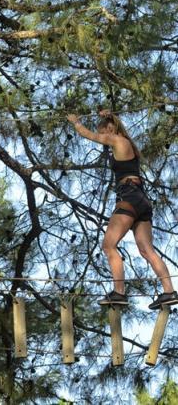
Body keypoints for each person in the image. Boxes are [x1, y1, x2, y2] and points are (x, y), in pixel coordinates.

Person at [67, 110, 178, 309]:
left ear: (110, 129)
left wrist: (76, 123)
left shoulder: (117, 140)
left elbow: (89, 135)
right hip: (141, 200)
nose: (103, 138)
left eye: (103, 132)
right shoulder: (127, 144)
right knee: (147, 250)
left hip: (129, 197)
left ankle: (119, 292)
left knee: (109, 246)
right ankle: (169, 291)